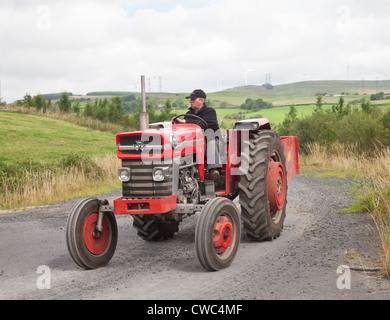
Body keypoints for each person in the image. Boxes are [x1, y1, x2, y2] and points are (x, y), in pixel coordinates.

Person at [172, 89, 222, 183]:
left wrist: (184, 122)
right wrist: (177, 125)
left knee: (211, 143)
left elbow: (203, 124)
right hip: (195, 143)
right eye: (190, 99)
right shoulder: (188, 114)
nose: (191, 101)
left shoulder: (210, 112)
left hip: (211, 142)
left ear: (201, 100)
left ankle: (213, 171)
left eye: (193, 99)